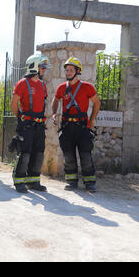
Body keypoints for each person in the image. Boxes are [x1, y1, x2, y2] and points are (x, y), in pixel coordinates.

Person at [51, 57, 101, 193]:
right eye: (67, 70)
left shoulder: (87, 87)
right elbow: (55, 101)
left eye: (71, 70)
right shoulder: (62, 88)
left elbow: (97, 103)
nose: (68, 72)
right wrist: (54, 113)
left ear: (77, 71)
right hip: (67, 127)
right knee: (68, 156)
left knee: (85, 155)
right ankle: (72, 182)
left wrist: (92, 120)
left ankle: (90, 183)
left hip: (82, 127)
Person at [10, 53, 50, 193]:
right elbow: (14, 103)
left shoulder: (42, 85)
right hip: (27, 125)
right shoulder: (22, 83)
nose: (44, 69)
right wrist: (20, 118)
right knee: (25, 153)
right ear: (34, 67)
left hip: (39, 125)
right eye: (42, 66)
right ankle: (19, 181)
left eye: (45, 66)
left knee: (38, 153)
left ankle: (33, 181)